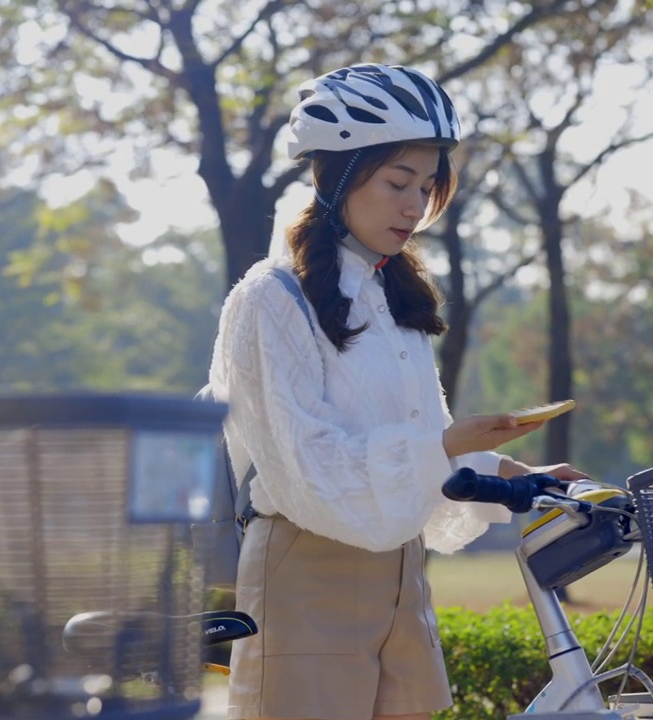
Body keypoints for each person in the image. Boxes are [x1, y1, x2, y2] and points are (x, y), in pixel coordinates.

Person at [204, 63, 588, 720]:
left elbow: (422, 453)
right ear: (339, 178)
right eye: (397, 183)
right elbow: (309, 466)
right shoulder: (270, 299)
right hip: (307, 575)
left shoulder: (394, 301)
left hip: (401, 579)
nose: (415, 205)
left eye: (429, 186)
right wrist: (443, 444)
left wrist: (510, 473)